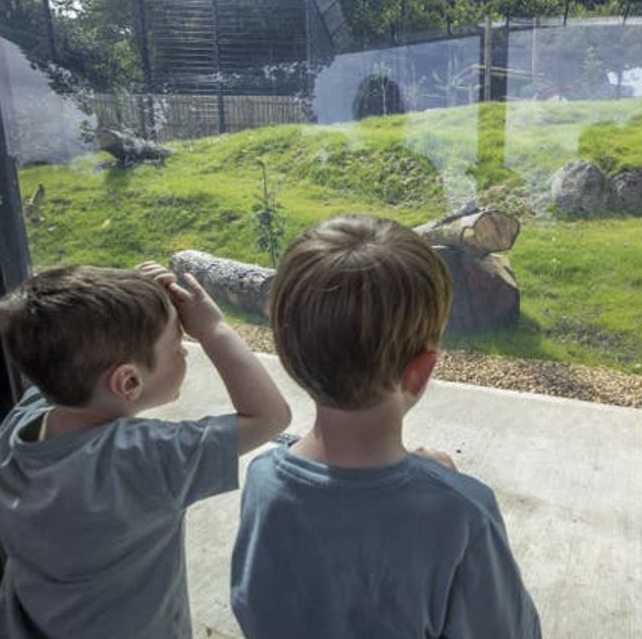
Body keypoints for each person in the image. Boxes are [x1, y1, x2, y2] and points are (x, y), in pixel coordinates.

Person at [231, 214, 541, 638]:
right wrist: (441, 486)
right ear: (419, 372)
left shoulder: (263, 481)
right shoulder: (462, 514)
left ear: (287, 354)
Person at [0, 263, 291, 638]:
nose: (185, 353)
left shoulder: (14, 435)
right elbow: (270, 416)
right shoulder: (138, 460)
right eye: (177, 346)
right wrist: (213, 329)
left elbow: (61, 341)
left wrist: (135, 302)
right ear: (128, 381)